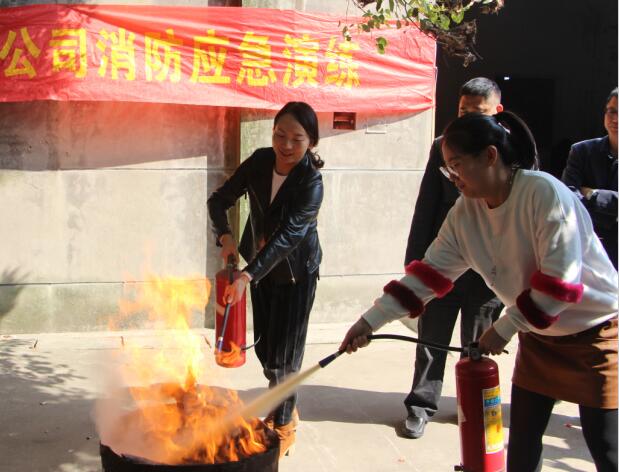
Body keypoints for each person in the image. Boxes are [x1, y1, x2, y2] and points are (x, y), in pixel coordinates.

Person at [341, 111, 618, 471]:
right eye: (448, 170)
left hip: (595, 334)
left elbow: (560, 284)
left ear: (490, 155)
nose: (453, 178)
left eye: (457, 166)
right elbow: (427, 275)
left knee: (605, 446)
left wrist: (503, 328)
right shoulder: (465, 213)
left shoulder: (543, 193)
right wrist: (370, 321)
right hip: (539, 337)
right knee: (522, 442)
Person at [207, 101, 323, 458]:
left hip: (295, 273)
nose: (285, 145)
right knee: (266, 351)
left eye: (296, 139)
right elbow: (218, 200)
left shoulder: (311, 183)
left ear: (311, 142)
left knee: (286, 359)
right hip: (258, 270)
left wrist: (247, 274)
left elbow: (289, 237)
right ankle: (283, 402)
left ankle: (284, 424)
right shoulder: (260, 161)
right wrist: (225, 236)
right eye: (279, 135)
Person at [401, 77, 505, 439]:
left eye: (479, 112)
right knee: (431, 338)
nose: (469, 118)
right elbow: (426, 204)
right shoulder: (442, 146)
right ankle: (420, 406)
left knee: (478, 344)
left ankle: (472, 408)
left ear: (497, 111)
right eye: (463, 111)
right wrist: (415, 262)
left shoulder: (511, 149)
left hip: (488, 270)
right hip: (443, 262)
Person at [562, 87, 618, 269]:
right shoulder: (581, 151)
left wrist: (592, 193)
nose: (615, 119)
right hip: (586, 246)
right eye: (612, 111)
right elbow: (568, 197)